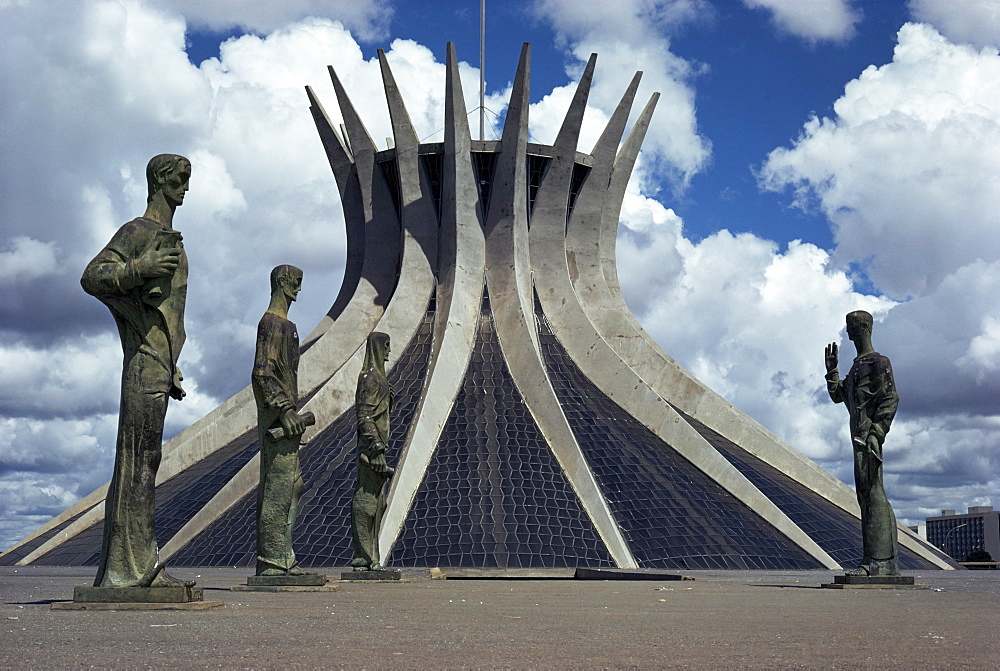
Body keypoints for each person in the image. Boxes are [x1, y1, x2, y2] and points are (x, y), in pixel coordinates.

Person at [81, 154, 193, 588]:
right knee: (137, 461)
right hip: (142, 361)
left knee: (146, 460)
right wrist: (138, 269)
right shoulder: (138, 231)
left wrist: (172, 364)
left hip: (159, 363)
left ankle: (135, 565)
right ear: (161, 180)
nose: (187, 188)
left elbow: (166, 313)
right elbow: (92, 277)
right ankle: (130, 570)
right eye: (181, 179)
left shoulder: (172, 238)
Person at [825, 310, 901, 577]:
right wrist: (832, 372)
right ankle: (881, 561)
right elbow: (839, 396)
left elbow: (891, 398)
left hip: (868, 438)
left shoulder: (878, 362)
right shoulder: (856, 366)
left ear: (864, 328)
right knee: (866, 495)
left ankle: (878, 562)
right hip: (858, 438)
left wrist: (876, 432)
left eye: (850, 327)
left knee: (873, 494)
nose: (847, 333)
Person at [252, 264, 311, 576]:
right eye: (296, 283)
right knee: (279, 486)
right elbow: (262, 372)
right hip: (278, 418)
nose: (299, 289)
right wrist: (284, 410)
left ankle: (284, 556)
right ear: (283, 282)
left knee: (295, 485)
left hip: (288, 419)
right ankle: (273, 560)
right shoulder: (272, 323)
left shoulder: (286, 325)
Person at [351, 332, 394, 571]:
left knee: (380, 504)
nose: (389, 351)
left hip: (379, 448)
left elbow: (378, 413)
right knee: (366, 502)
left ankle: (372, 556)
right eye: (386, 347)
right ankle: (363, 557)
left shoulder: (380, 379)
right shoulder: (369, 378)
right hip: (371, 451)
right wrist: (375, 448)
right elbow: (364, 416)